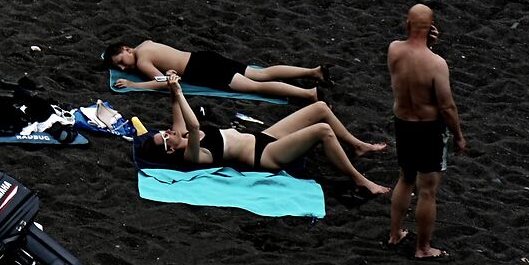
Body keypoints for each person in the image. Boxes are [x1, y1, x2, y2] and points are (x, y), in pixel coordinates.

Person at [146, 73, 391, 196]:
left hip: (262, 137)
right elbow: (196, 126)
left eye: (165, 131)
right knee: (323, 131)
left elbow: (177, 109)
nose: (169, 131)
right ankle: (360, 180)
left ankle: (357, 145)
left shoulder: (180, 136)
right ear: (170, 149)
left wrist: (171, 85)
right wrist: (179, 91)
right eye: (166, 136)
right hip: (264, 156)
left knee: (320, 109)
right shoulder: (191, 155)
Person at [387, 3, 467, 259]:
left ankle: (395, 233)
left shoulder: (394, 50)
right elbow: (447, 106)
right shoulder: (436, 64)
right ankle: (423, 248)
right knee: (427, 189)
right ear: (431, 28)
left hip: (403, 123)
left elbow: (411, 64)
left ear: (407, 23)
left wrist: (425, 45)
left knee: (405, 178)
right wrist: (458, 135)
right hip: (428, 129)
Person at [101, 34, 329, 104]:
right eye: (119, 66)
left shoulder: (141, 60)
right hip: (204, 57)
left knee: (255, 86)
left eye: (121, 60)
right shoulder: (146, 44)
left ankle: (310, 94)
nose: (123, 66)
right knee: (261, 72)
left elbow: (163, 82)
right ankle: (313, 71)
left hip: (200, 69)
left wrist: (134, 85)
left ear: (127, 49)